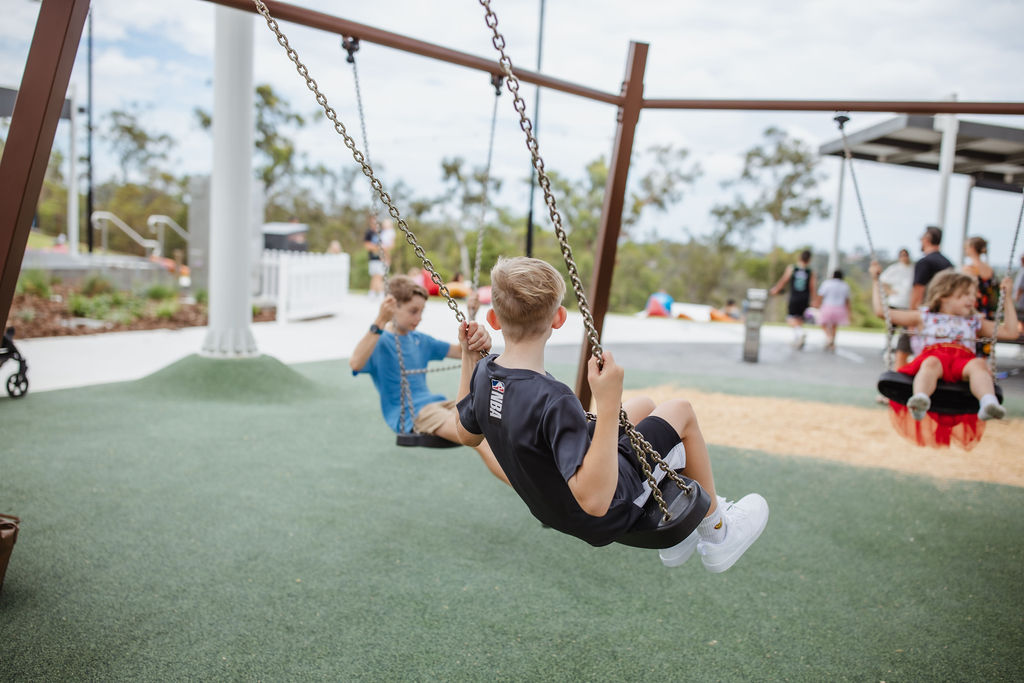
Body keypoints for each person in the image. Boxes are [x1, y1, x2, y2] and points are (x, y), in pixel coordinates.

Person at [454, 257, 768, 572]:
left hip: (552, 505)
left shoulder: (485, 373)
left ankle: (680, 539)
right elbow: (595, 501)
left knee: (644, 405)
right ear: (559, 318)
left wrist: (469, 355)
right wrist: (608, 402)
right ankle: (718, 533)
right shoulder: (554, 399)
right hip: (600, 513)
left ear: (493, 319)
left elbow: (466, 434)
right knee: (680, 411)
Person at [349, 274, 509, 485]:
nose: (419, 318)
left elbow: (463, 349)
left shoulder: (419, 340)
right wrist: (380, 320)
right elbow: (356, 363)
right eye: (413, 311)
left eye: (422, 311)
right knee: (479, 440)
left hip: (436, 404)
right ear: (392, 307)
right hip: (415, 414)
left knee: (494, 417)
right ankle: (534, 494)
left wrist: (471, 315)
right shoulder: (380, 341)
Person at [870, 263, 1018, 450]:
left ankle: (988, 402)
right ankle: (920, 399)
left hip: (962, 362)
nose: (972, 299)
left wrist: (1007, 299)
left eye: (973, 295)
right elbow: (882, 312)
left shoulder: (974, 321)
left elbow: (1011, 332)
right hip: (934, 359)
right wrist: (876, 280)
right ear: (944, 295)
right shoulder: (924, 316)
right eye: (965, 294)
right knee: (931, 363)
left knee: (979, 365)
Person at [898, 226, 954, 366]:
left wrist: (911, 319)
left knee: (901, 354)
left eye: (922, 238)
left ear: (927, 240)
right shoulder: (948, 263)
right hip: (942, 317)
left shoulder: (925, 262)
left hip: (922, 313)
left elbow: (918, 291)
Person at [769, 249, 815, 350]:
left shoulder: (792, 268)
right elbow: (812, 287)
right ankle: (797, 338)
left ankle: (800, 333)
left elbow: (784, 280)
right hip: (805, 298)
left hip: (795, 297)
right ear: (809, 260)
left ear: (799, 258)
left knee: (790, 318)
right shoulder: (809, 271)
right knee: (799, 319)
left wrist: (776, 289)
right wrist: (814, 300)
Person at [962, 236, 998, 355]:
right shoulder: (989, 269)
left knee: (970, 348)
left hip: (973, 311)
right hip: (987, 312)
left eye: (966, 247)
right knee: (983, 348)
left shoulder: (970, 269)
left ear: (972, 248)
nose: (965, 250)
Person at [817, 270, 851, 352]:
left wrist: (818, 304)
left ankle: (829, 337)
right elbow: (847, 300)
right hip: (839, 308)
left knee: (822, 323)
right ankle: (832, 342)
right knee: (834, 326)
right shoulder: (845, 285)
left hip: (827, 306)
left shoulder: (827, 283)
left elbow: (821, 295)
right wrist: (849, 311)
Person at [363, 215, 386, 299]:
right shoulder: (369, 233)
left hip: (381, 258)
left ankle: (376, 292)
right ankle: (375, 292)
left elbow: (386, 246)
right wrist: (377, 248)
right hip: (373, 258)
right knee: (375, 276)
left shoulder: (381, 232)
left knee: (379, 275)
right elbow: (367, 245)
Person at [1014, 254, 1024, 336]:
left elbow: (1020, 288)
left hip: (1021, 302)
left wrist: (1016, 299)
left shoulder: (1023, 272)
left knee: (1021, 321)